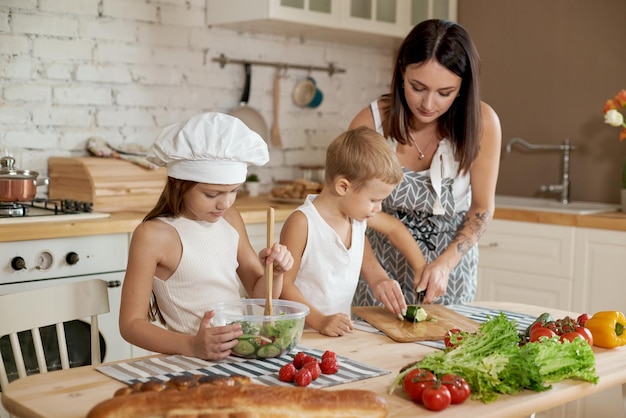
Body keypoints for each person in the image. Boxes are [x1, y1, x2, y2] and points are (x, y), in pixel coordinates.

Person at [349, 19, 502, 307]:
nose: (428, 104)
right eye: (417, 87)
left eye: (445, 93)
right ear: (401, 74)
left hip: (450, 276)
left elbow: (482, 207)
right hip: (379, 276)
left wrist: (445, 264)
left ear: (463, 88)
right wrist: (375, 276)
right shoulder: (370, 124)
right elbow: (344, 211)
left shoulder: (483, 124)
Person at [119, 112, 294, 360]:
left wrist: (274, 272)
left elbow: (258, 296)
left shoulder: (231, 218)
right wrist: (191, 345)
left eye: (234, 191)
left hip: (241, 354)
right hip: (188, 362)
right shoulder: (153, 236)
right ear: (180, 183)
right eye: (212, 194)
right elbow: (130, 324)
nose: (225, 203)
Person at [279, 127, 427, 337]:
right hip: (301, 335)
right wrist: (320, 321)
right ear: (343, 187)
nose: (379, 208)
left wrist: (382, 280)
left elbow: (391, 231)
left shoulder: (355, 217)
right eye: (374, 200)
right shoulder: (302, 222)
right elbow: (283, 285)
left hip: (337, 334)